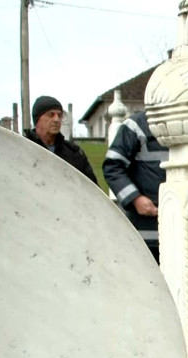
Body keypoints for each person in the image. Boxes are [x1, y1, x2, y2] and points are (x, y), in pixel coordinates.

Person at [102, 109, 169, 262]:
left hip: (182, 234)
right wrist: (135, 198)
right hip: (145, 235)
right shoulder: (136, 125)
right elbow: (113, 167)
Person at [23, 95, 97, 185]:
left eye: (59, 115)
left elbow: (92, 190)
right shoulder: (23, 149)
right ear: (38, 119)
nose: (56, 119)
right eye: (51, 115)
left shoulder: (75, 154)